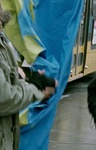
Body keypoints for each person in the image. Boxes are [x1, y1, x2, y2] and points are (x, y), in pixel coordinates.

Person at [0, 7, 58, 150]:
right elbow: (4, 98)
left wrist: (32, 82)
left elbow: (11, 78)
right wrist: (34, 89)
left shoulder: (3, 43)